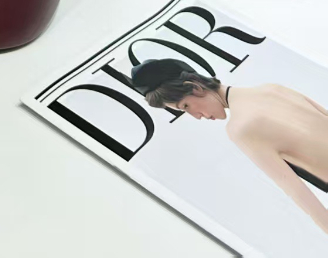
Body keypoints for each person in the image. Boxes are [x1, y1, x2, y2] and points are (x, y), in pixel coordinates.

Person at [131, 58, 328, 235]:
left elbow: (295, 189)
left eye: (186, 106)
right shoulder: (272, 89)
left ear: (195, 88)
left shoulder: (241, 128)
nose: (196, 116)